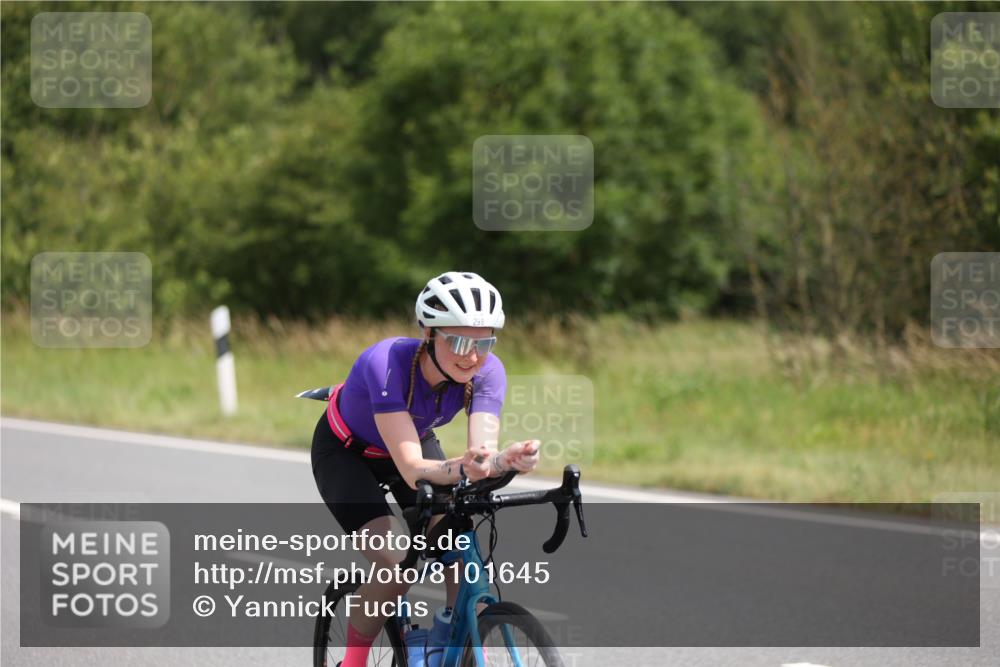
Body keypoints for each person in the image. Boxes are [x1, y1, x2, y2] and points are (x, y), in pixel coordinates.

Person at [311, 271, 541, 667]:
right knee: (399, 563)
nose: (472, 355)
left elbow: (479, 455)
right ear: (429, 333)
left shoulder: (488, 371)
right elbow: (414, 468)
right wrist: (471, 467)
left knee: (459, 544)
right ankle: (352, 661)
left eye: (483, 342)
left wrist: (504, 461)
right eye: (460, 340)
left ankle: (444, 643)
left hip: (415, 440)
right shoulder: (386, 362)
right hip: (348, 453)